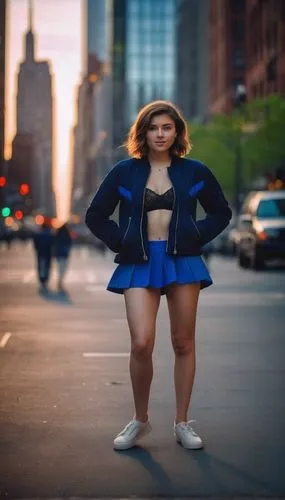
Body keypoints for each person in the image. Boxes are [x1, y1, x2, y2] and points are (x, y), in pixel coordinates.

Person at [85, 100, 232, 451]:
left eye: (167, 127)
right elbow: (96, 215)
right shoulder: (124, 172)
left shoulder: (194, 171)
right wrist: (121, 240)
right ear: (144, 132)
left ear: (177, 132)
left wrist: (195, 234)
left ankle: (182, 423)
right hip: (139, 261)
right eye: (154, 128)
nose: (160, 134)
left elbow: (220, 212)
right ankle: (140, 420)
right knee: (141, 342)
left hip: (182, 261)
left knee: (183, 342)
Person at [33, 220, 54, 293]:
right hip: (48, 253)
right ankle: (46, 279)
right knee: (47, 266)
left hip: (40, 253)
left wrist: (37, 249)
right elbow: (52, 244)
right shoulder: (50, 234)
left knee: (40, 266)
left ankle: (42, 280)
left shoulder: (38, 234)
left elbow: (35, 244)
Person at [54, 223, 72, 293]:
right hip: (64, 255)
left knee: (60, 268)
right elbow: (69, 244)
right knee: (63, 269)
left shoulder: (58, 234)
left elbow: (55, 244)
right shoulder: (67, 235)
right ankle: (60, 281)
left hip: (59, 254)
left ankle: (60, 281)